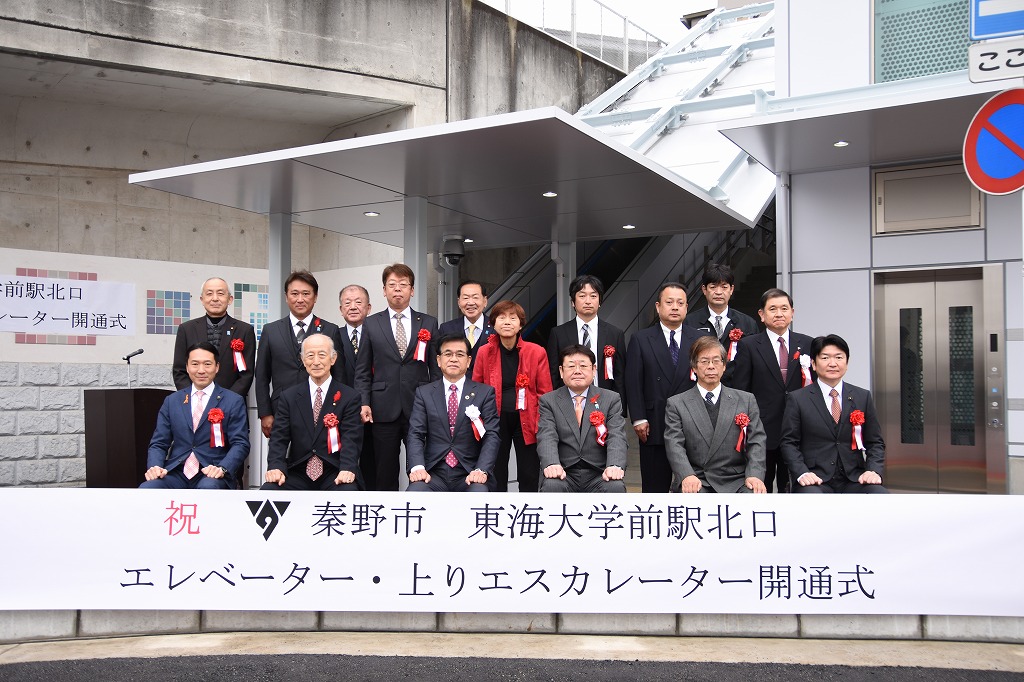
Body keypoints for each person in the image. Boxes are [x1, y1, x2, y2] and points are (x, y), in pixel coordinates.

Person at [354, 264, 440, 491]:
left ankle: (417, 511)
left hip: (419, 406)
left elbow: (436, 368)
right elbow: (362, 369)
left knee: (420, 466)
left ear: (412, 290)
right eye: (392, 285)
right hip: (383, 407)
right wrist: (364, 402)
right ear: (384, 290)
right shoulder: (371, 323)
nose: (397, 290)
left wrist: (436, 403)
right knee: (385, 468)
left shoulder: (429, 323)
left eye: (403, 285)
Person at [730, 288, 815, 493]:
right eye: (773, 309)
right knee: (762, 486)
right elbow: (741, 389)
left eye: (784, 308)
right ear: (761, 314)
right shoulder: (749, 345)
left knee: (795, 487)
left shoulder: (808, 343)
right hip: (762, 429)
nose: (779, 314)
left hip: (798, 429)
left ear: (792, 312)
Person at [780, 334, 888, 493]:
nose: (832, 363)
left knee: (879, 494)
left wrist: (873, 470)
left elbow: (875, 442)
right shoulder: (798, 399)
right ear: (813, 364)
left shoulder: (862, 396)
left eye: (839, 357)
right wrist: (802, 472)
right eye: (825, 358)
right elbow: (788, 443)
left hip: (855, 478)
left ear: (847, 363)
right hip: (815, 479)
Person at [625, 282, 703, 492]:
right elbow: (633, 382)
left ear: (687, 308)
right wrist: (638, 418)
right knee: (654, 486)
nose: (675, 307)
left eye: (680, 303)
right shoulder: (641, 339)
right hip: (653, 422)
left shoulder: (699, 339)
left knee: (690, 487)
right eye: (669, 302)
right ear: (658, 307)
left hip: (691, 422)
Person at [664, 336, 767, 493]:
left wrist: (754, 475)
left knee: (754, 495)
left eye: (716, 361)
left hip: (736, 479)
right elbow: (674, 445)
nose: (711, 366)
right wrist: (686, 475)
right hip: (698, 479)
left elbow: (756, 441)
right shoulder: (677, 403)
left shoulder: (745, 400)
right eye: (704, 361)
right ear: (694, 367)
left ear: (724, 366)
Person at [262, 334, 363, 491]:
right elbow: (279, 438)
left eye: (322, 355)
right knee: (270, 490)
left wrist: (347, 468)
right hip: (298, 471)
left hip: (334, 470)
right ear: (303, 360)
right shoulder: (289, 397)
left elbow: (351, 438)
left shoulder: (349, 397)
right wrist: (275, 466)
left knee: (347, 490)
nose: (316, 362)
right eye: (310, 355)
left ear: (333, 358)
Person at [141, 342, 249, 489]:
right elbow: (159, 443)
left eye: (207, 364)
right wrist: (155, 467)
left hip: (212, 472)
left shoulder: (233, 401)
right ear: (187, 367)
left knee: (208, 488)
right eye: (195, 364)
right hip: (177, 472)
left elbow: (240, 444)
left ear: (217, 367)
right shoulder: (172, 401)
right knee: (149, 488)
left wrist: (222, 468)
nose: (201, 370)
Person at [472, 300, 553, 492]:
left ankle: (528, 514)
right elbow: (477, 388)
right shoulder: (484, 352)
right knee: (497, 471)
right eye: (501, 317)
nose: (507, 322)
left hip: (528, 419)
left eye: (512, 318)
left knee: (529, 473)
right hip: (495, 419)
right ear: (492, 323)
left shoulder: (536, 352)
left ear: (521, 324)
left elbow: (545, 392)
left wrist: (541, 422)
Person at [406, 334, 500, 492]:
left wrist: (481, 469)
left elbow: (492, 435)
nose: (453, 359)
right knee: (416, 492)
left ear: (469, 361)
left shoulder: (485, 393)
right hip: (434, 472)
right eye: (448, 354)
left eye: (460, 354)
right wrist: (418, 467)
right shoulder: (424, 393)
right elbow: (416, 433)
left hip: (469, 472)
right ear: (438, 360)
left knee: (479, 493)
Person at [255, 270, 342, 438]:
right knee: (280, 458)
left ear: (315, 297)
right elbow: (262, 376)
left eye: (306, 294)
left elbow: (339, 375)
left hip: (322, 408)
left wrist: (337, 408)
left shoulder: (330, 330)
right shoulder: (271, 330)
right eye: (294, 293)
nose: (300, 299)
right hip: (280, 409)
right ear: (286, 297)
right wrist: (265, 413)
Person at [538, 344, 627, 493]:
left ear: (594, 370)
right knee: (552, 485)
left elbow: (617, 435)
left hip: (599, 473)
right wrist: (552, 463)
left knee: (614, 486)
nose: (577, 371)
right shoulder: (549, 401)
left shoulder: (610, 399)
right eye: (571, 366)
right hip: (564, 472)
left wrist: (615, 465)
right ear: (561, 371)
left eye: (584, 366)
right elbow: (547, 435)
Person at [545, 274, 627, 414]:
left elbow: (620, 375)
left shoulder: (615, 333)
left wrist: (620, 410)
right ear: (573, 302)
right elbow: (553, 374)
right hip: (569, 404)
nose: (588, 301)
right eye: (582, 296)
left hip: (605, 403)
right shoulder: (558, 333)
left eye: (593, 296)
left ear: (600, 301)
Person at [171, 277, 256, 398]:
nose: (215, 298)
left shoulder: (244, 330)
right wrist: (194, 397)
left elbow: (246, 374)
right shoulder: (186, 329)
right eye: (209, 294)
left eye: (220, 293)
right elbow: (179, 371)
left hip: (231, 405)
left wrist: (229, 401)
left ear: (230, 299)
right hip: (195, 404)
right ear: (202, 299)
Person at [683, 263, 759, 384]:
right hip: (700, 388)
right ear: (704, 289)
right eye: (713, 287)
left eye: (724, 287)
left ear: (731, 289)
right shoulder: (689, 322)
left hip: (737, 389)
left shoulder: (748, 323)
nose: (719, 292)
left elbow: (754, 361)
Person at [335, 283, 376, 489]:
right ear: (341, 309)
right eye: (347, 303)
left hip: (373, 409)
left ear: (368, 308)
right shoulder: (334, 334)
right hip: (341, 409)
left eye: (358, 302)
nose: (353, 306)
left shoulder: (378, 333)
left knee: (372, 460)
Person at [437, 280, 494, 374]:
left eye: (475, 297)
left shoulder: (495, 327)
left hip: (488, 386)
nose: (470, 303)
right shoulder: (446, 328)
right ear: (459, 302)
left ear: (485, 301)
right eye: (466, 298)